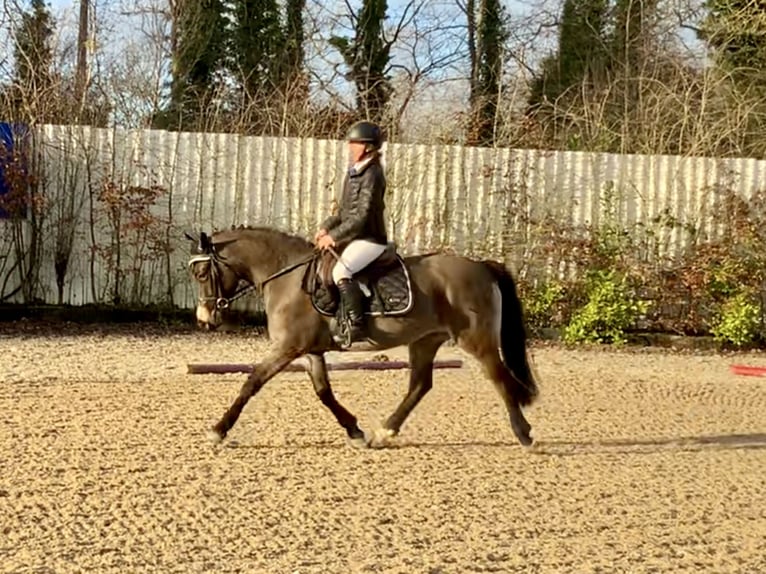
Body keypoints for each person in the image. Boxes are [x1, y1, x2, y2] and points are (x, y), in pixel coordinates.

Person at [314, 120, 388, 347]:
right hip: (354, 236)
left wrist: (334, 237)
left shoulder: (373, 174)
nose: (350, 147)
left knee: (341, 272)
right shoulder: (354, 173)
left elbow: (362, 217)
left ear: (367, 147)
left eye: (354, 143)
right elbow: (344, 212)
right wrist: (326, 227)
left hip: (370, 239)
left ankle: (357, 327)